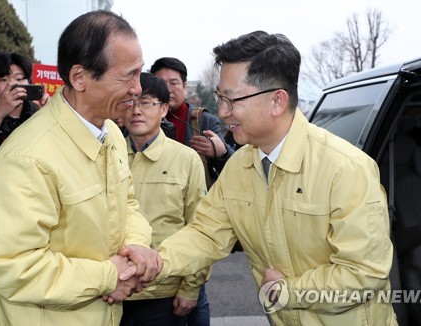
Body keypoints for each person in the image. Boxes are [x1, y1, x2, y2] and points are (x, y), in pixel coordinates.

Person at [153, 31, 397, 325]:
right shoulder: (239, 167)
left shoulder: (347, 169)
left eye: (231, 100)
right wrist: (153, 264)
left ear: (277, 101)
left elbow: (363, 274)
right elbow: (205, 234)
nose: (221, 111)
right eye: (220, 98)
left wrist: (287, 292)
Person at [0, 10, 161, 325]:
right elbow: (15, 268)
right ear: (79, 77)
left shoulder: (113, 133)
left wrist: (135, 251)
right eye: (127, 75)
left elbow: (127, 204)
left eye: (138, 73)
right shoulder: (24, 160)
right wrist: (108, 276)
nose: (137, 88)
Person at [120, 72, 209, 325]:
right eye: (130, 102)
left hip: (164, 291)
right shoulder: (107, 155)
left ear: (164, 110)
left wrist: (190, 288)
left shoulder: (186, 159)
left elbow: (200, 228)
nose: (136, 110)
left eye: (146, 102)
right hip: (113, 287)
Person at [150, 57, 234, 188]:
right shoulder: (140, 120)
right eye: (161, 83)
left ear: (184, 87)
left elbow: (233, 169)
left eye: (174, 83)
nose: (168, 89)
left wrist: (221, 152)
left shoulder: (204, 121)